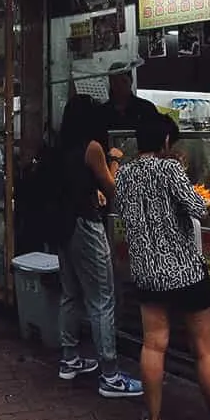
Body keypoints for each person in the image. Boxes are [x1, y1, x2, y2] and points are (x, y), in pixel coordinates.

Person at [116, 114, 210, 420]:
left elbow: (122, 210)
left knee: (153, 346)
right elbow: (198, 207)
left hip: (148, 273)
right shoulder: (169, 169)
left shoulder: (125, 174)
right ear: (165, 142)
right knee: (203, 351)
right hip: (186, 272)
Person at [54, 95, 142, 397]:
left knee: (70, 292)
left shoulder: (60, 144)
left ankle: (69, 359)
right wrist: (114, 159)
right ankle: (110, 375)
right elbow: (112, 188)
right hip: (84, 225)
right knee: (102, 298)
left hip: (62, 225)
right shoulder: (92, 148)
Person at [92, 60, 160, 134]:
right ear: (110, 83)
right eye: (115, 82)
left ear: (131, 81)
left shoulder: (146, 108)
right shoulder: (101, 113)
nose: (119, 86)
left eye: (123, 81)